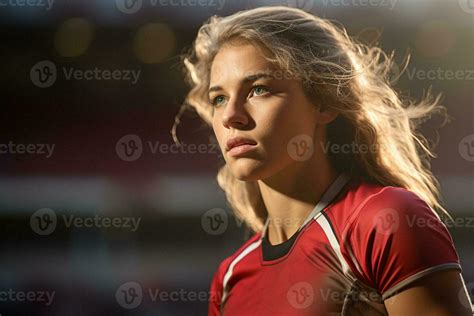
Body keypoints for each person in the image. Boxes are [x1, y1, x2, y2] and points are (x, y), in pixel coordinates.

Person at [174, 6, 473, 315]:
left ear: (324, 102)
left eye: (258, 89)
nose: (231, 116)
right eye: (219, 98)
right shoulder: (229, 278)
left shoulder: (385, 221)